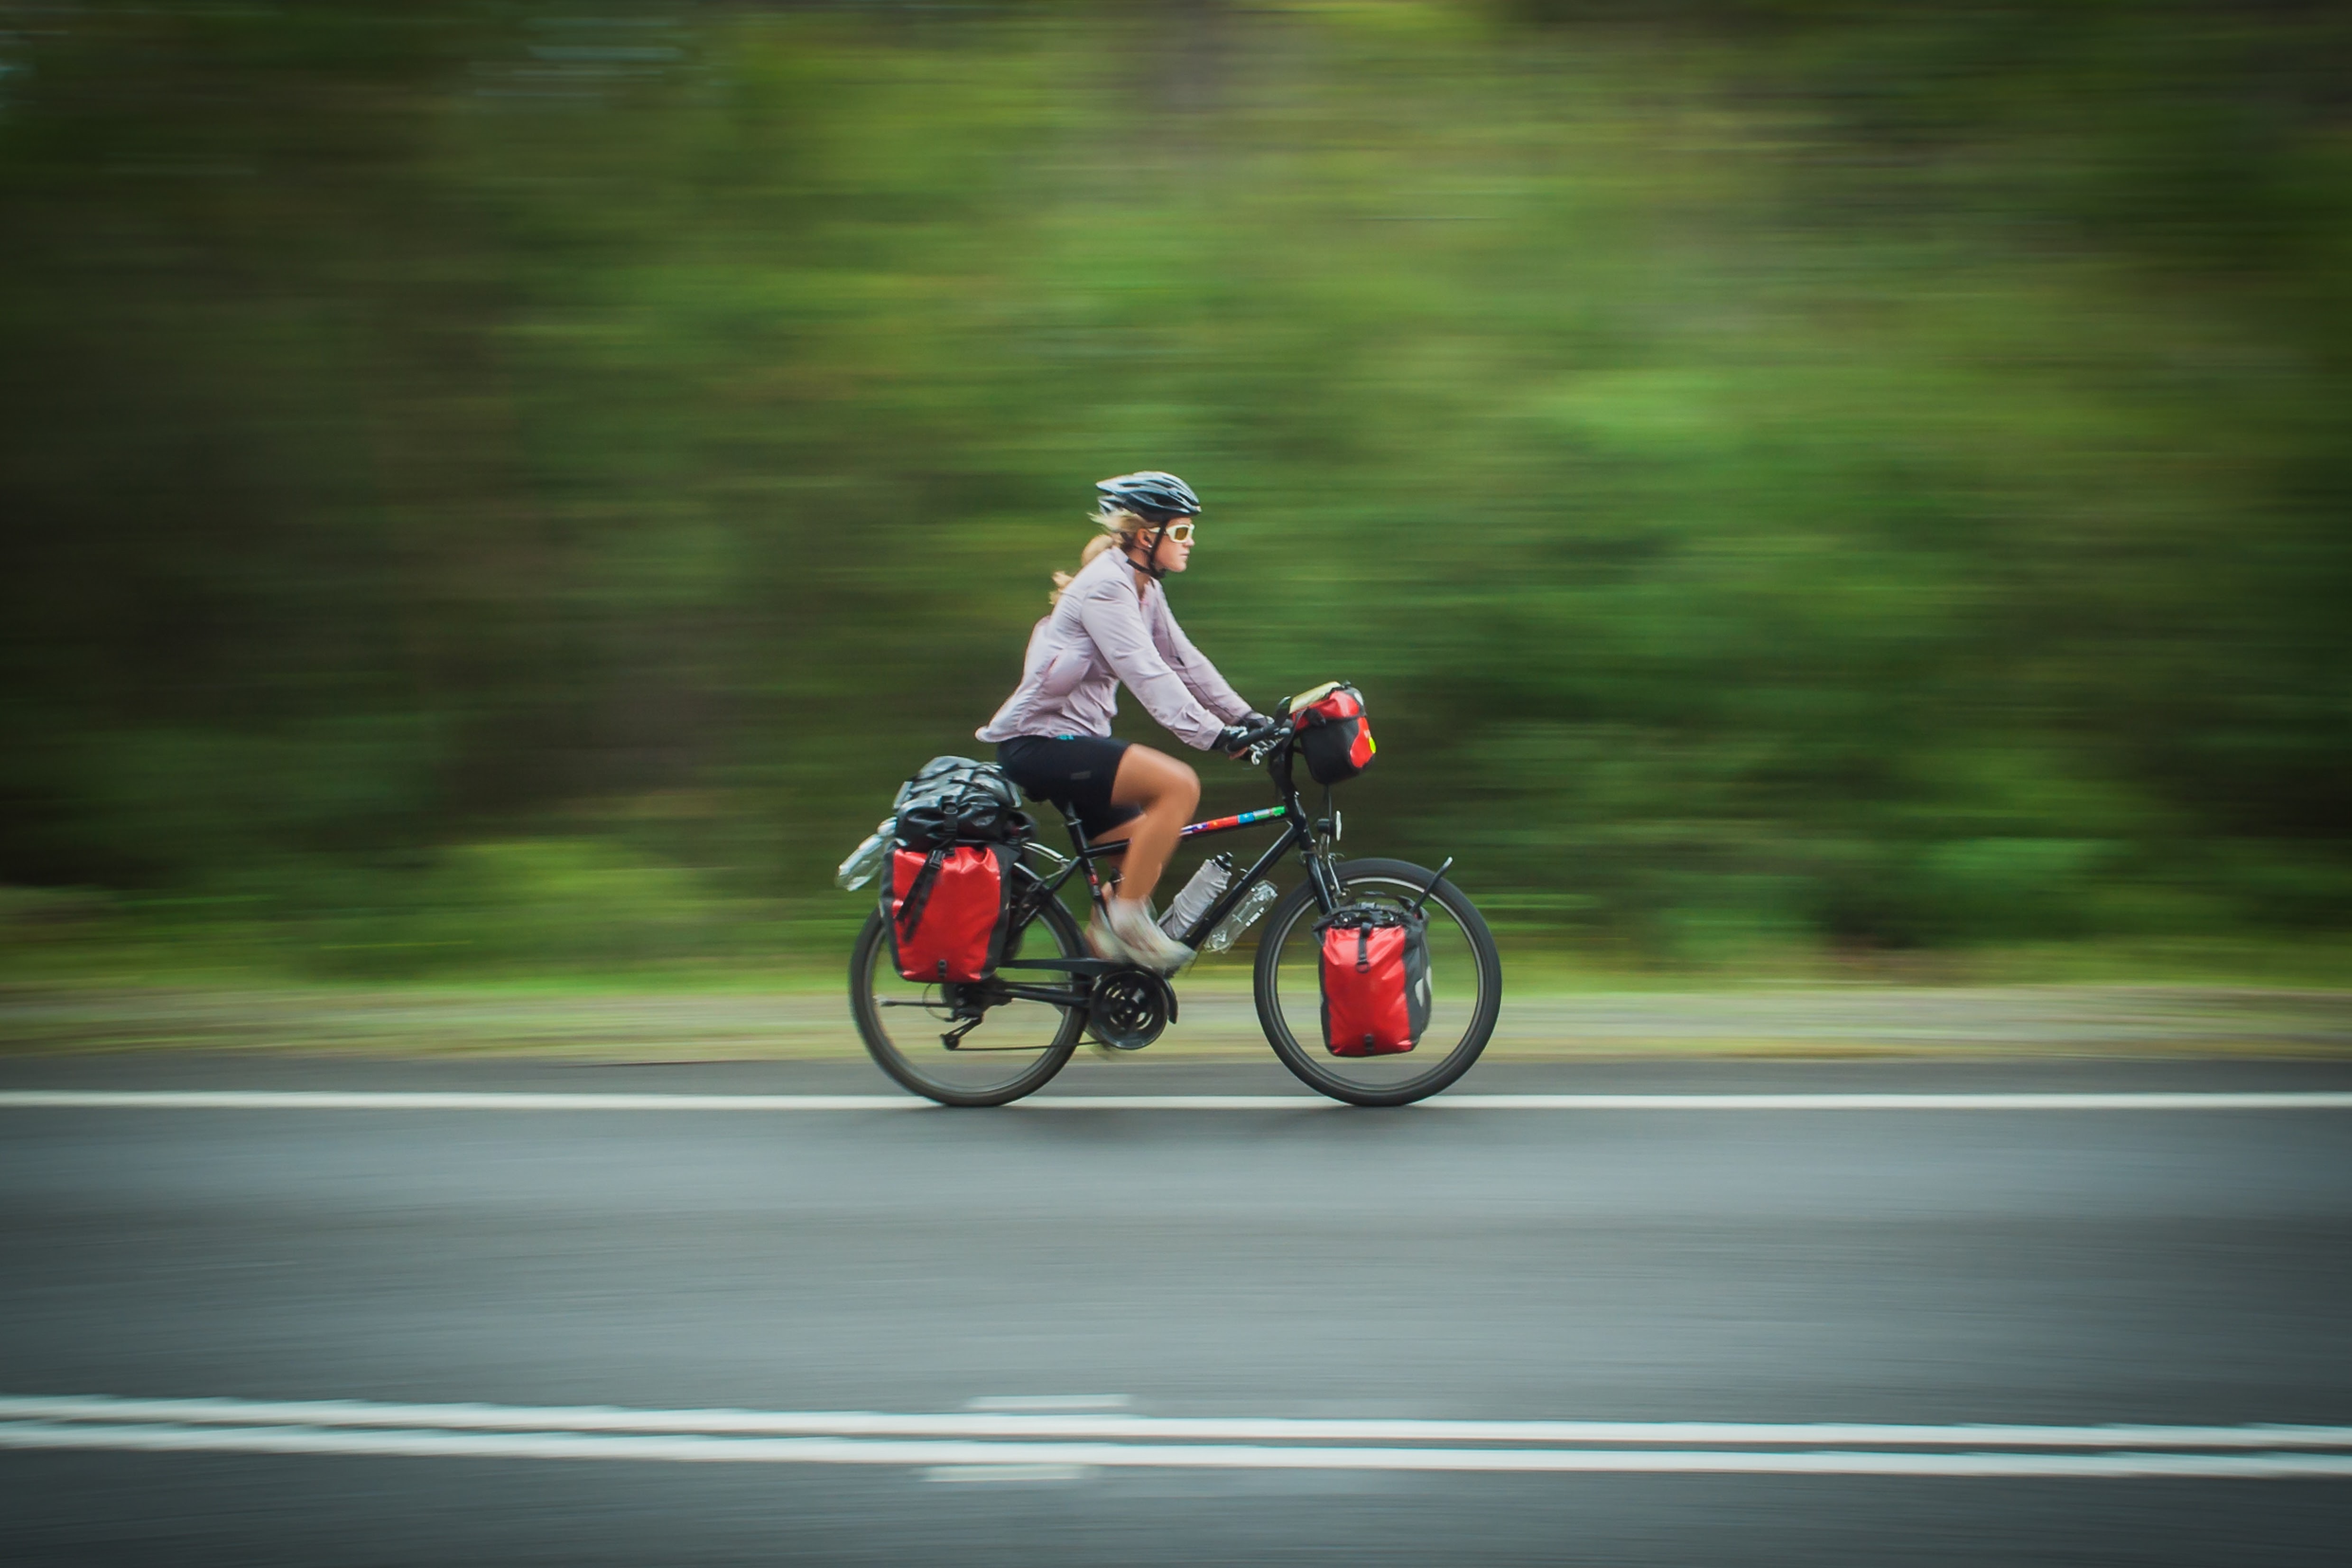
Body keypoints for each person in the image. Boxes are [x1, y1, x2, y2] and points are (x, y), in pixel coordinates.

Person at [978, 472, 1273, 972]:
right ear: (1145, 535)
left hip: (1073, 741)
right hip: (1038, 744)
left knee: (1142, 854)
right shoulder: (1106, 588)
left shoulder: (1143, 589)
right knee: (1178, 786)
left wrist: (1246, 717)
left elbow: (1184, 661)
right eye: (1180, 531)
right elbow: (1147, 672)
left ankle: (1098, 975)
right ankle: (1128, 925)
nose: (1190, 540)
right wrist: (1215, 736)